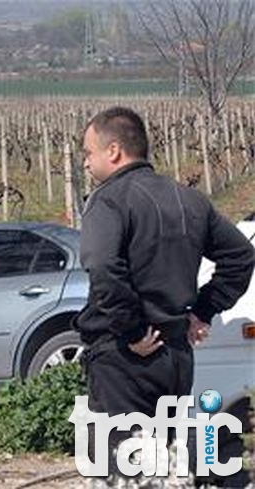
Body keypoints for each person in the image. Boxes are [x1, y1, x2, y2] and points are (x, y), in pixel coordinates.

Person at [74, 107, 255, 477]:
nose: (86, 164)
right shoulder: (189, 200)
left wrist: (131, 331)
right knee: (164, 467)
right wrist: (203, 310)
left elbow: (104, 268)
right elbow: (241, 256)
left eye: (88, 153)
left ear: (113, 151)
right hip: (175, 356)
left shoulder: (109, 201)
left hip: (125, 359)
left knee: (121, 472)